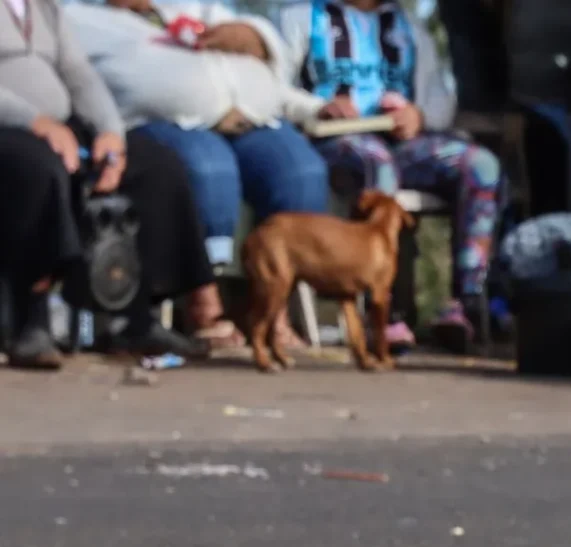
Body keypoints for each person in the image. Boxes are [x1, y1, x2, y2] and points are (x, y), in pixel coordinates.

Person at [65, 0, 334, 350]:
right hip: (156, 122)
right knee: (208, 168)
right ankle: (204, 305)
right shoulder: (78, 16)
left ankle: (273, 312)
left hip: (255, 117)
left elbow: (269, 50)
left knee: (300, 171)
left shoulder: (193, 5)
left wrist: (253, 38)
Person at [274, 0, 506, 353]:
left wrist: (419, 114)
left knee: (480, 165)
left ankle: (467, 304)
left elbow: (441, 97)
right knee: (376, 163)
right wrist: (317, 107)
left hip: (402, 143)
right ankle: (385, 308)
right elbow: (272, 87)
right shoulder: (301, 18)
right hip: (335, 144)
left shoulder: (409, 27)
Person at [0, 0, 211, 369]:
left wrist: (111, 133)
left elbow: (79, 74)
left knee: (157, 166)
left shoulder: (44, 7)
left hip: (58, 125)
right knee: (39, 169)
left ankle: (133, 314)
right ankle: (29, 321)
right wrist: (37, 123)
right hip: (12, 127)